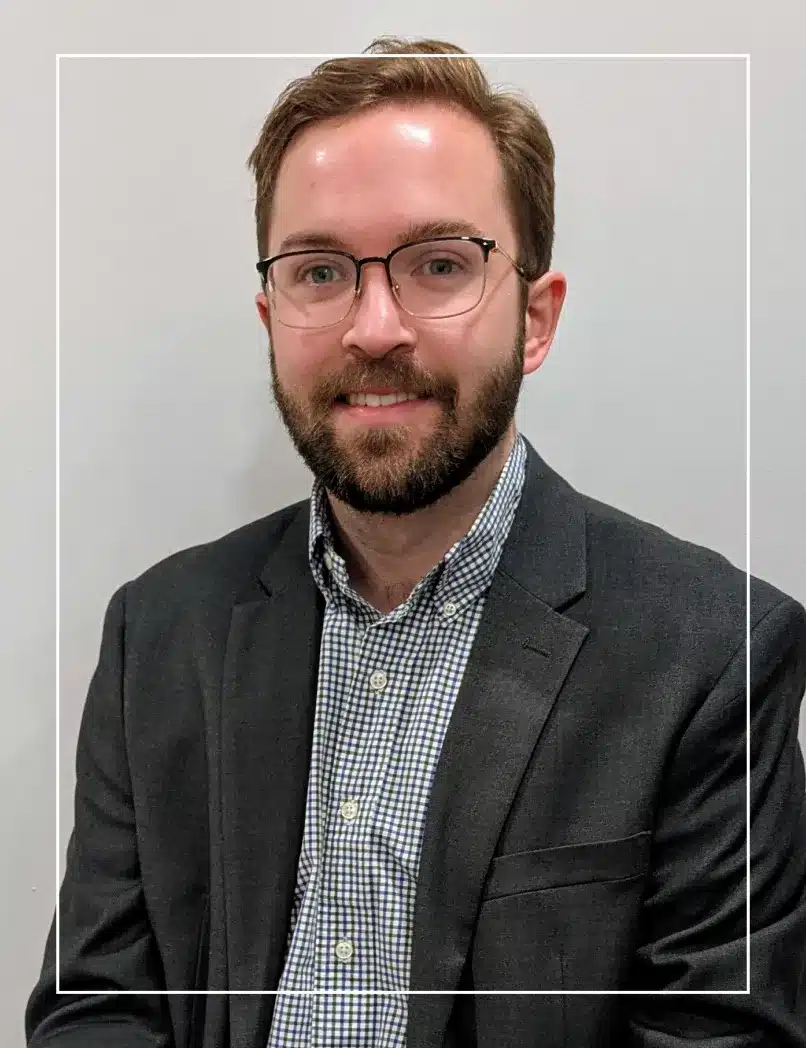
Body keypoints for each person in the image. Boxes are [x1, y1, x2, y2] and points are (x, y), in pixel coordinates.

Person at [26, 35, 806, 1048]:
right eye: (319, 271)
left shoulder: (712, 654)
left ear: (535, 318)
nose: (374, 327)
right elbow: (96, 1005)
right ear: (270, 316)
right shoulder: (159, 634)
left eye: (439, 264)